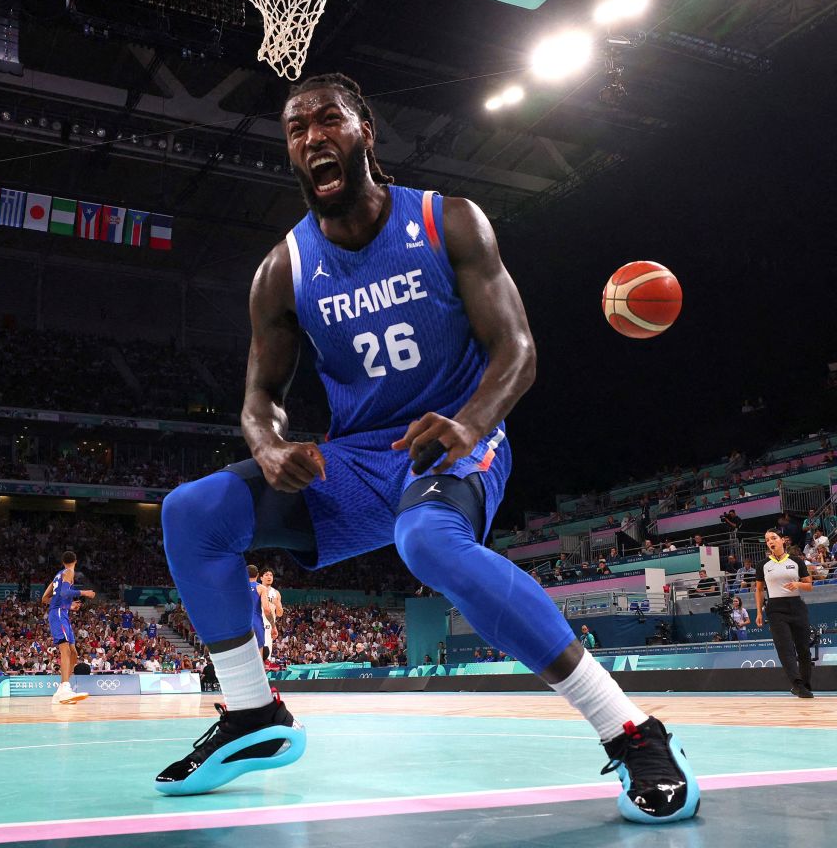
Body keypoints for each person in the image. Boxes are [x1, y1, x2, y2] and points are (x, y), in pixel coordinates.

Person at [153, 73, 698, 823]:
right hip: (355, 462)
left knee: (429, 543)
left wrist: (470, 423)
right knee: (191, 513)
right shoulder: (284, 269)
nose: (313, 137)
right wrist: (271, 446)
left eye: (328, 120)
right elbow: (259, 397)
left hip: (455, 441)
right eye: (296, 129)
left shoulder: (450, 221)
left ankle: (632, 731)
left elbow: (517, 351)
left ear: (365, 130)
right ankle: (253, 715)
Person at [755, 529, 815, 698]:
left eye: (773, 538)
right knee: (785, 649)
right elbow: (759, 590)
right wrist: (759, 612)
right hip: (775, 608)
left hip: (796, 605)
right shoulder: (763, 565)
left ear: (782, 540)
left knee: (803, 649)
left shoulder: (796, 561)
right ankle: (796, 685)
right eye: (767, 540)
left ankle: (805, 684)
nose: (770, 541)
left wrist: (797, 585)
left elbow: (809, 586)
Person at [41, 551, 96, 705]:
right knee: (65, 650)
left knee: (73, 653)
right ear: (75, 561)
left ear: (62, 561)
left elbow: (45, 599)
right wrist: (84, 592)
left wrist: (69, 605)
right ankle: (65, 688)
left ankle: (61, 690)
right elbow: (65, 592)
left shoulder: (57, 576)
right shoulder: (69, 572)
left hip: (61, 612)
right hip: (58, 614)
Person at [260, 569, 283, 661]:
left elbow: (280, 614)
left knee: (266, 656)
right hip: (256, 624)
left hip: (269, 626)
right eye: (266, 575)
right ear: (261, 577)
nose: (269, 577)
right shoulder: (257, 589)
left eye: (271, 575)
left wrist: (276, 603)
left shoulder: (276, 593)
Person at [247, 565, 268, 661]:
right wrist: (273, 625)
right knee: (259, 651)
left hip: (241, 623)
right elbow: (266, 609)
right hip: (255, 621)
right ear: (258, 575)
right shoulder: (261, 588)